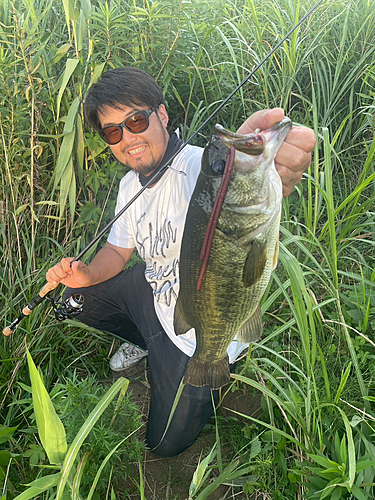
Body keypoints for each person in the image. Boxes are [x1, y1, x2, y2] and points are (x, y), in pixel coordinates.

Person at [46, 67, 316, 457]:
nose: (128, 138)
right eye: (113, 131)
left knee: (163, 445)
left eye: (136, 120)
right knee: (72, 298)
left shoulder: (201, 168)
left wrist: (255, 158)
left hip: (201, 328)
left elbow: (229, 184)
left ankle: (207, 361)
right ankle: (147, 341)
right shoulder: (128, 185)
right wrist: (86, 273)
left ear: (162, 115)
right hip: (158, 292)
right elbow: (118, 252)